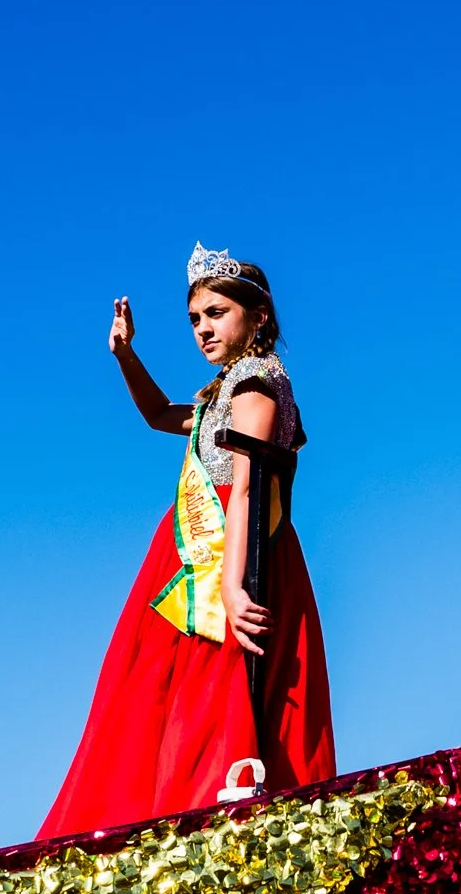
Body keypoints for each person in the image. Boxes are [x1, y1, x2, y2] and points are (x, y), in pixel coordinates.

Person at [38, 244, 335, 839]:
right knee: (161, 694)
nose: (203, 328)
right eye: (196, 318)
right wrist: (125, 355)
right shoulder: (220, 390)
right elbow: (156, 414)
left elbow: (247, 477)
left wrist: (229, 582)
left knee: (216, 693)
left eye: (217, 313)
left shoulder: (258, 378)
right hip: (193, 553)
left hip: (235, 549)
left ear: (259, 318)